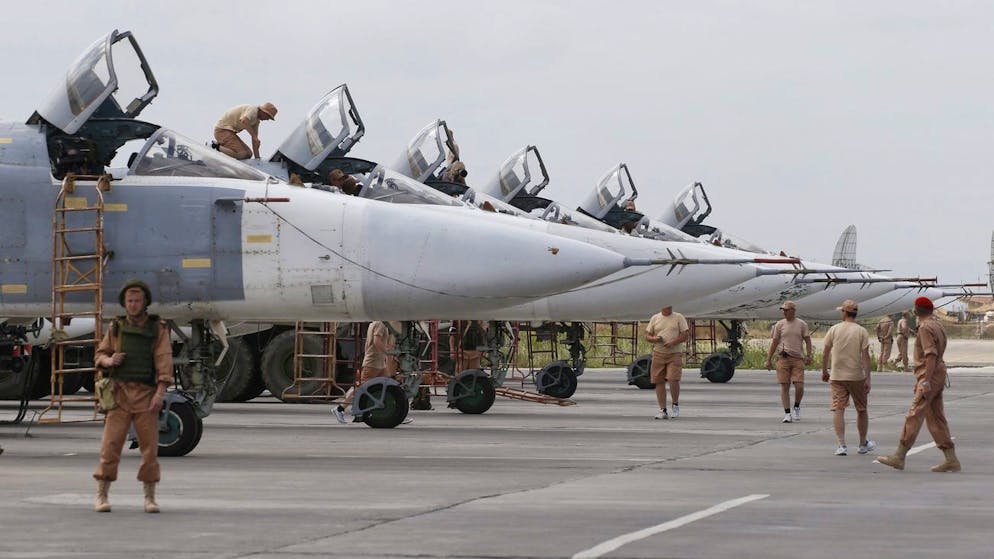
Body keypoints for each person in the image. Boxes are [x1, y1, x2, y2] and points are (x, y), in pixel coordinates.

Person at [92, 280, 173, 513]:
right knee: (110, 446)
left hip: (146, 396)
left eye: (137, 301)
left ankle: (150, 498)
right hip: (119, 395)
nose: (133, 305)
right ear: (124, 303)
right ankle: (101, 495)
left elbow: (164, 361)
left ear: (145, 302)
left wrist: (160, 393)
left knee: (150, 450)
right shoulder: (116, 327)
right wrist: (109, 360)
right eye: (130, 301)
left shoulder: (157, 329)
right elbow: (100, 354)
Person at [878, 297, 960, 472]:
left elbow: (930, 354)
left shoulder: (924, 327)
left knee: (915, 414)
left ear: (916, 311)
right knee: (936, 417)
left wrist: (926, 381)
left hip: (929, 374)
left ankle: (899, 455)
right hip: (938, 372)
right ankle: (951, 458)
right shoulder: (937, 325)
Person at [821, 299, 874, 456]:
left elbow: (825, 352)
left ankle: (842, 445)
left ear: (844, 312)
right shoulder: (861, 331)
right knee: (862, 409)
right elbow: (865, 357)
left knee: (838, 408)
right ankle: (862, 443)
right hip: (856, 376)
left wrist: (824, 371)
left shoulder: (834, 329)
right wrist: (868, 378)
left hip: (837, 375)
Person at [334, 321, 411, 424]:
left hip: (379, 363)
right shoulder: (380, 324)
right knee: (361, 387)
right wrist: (388, 352)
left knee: (389, 388)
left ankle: (395, 413)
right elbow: (376, 340)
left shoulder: (377, 323)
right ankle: (340, 409)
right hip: (372, 362)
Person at [765, 300, 812, 423]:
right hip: (783, 358)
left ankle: (796, 405)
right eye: (783, 310)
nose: (784, 312)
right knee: (784, 386)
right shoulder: (779, 325)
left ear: (793, 311)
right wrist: (768, 359)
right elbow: (774, 342)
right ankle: (787, 413)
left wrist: (809, 355)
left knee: (799, 385)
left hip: (797, 359)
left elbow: (807, 340)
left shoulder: (802, 324)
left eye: (786, 310)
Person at [645, 306, 689, 419]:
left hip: (674, 354)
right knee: (658, 380)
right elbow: (647, 336)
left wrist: (673, 342)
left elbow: (685, 335)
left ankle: (675, 404)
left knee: (673, 379)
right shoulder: (655, 318)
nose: (667, 307)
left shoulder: (678, 317)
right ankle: (663, 410)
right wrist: (655, 339)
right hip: (658, 353)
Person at [212, 102, 278, 160]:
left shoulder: (256, 121)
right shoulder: (253, 110)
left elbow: (255, 140)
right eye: (268, 117)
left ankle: (222, 148)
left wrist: (257, 159)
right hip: (222, 130)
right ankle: (215, 146)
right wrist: (254, 137)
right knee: (241, 154)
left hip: (230, 132)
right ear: (264, 112)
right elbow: (244, 120)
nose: (267, 119)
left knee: (249, 154)